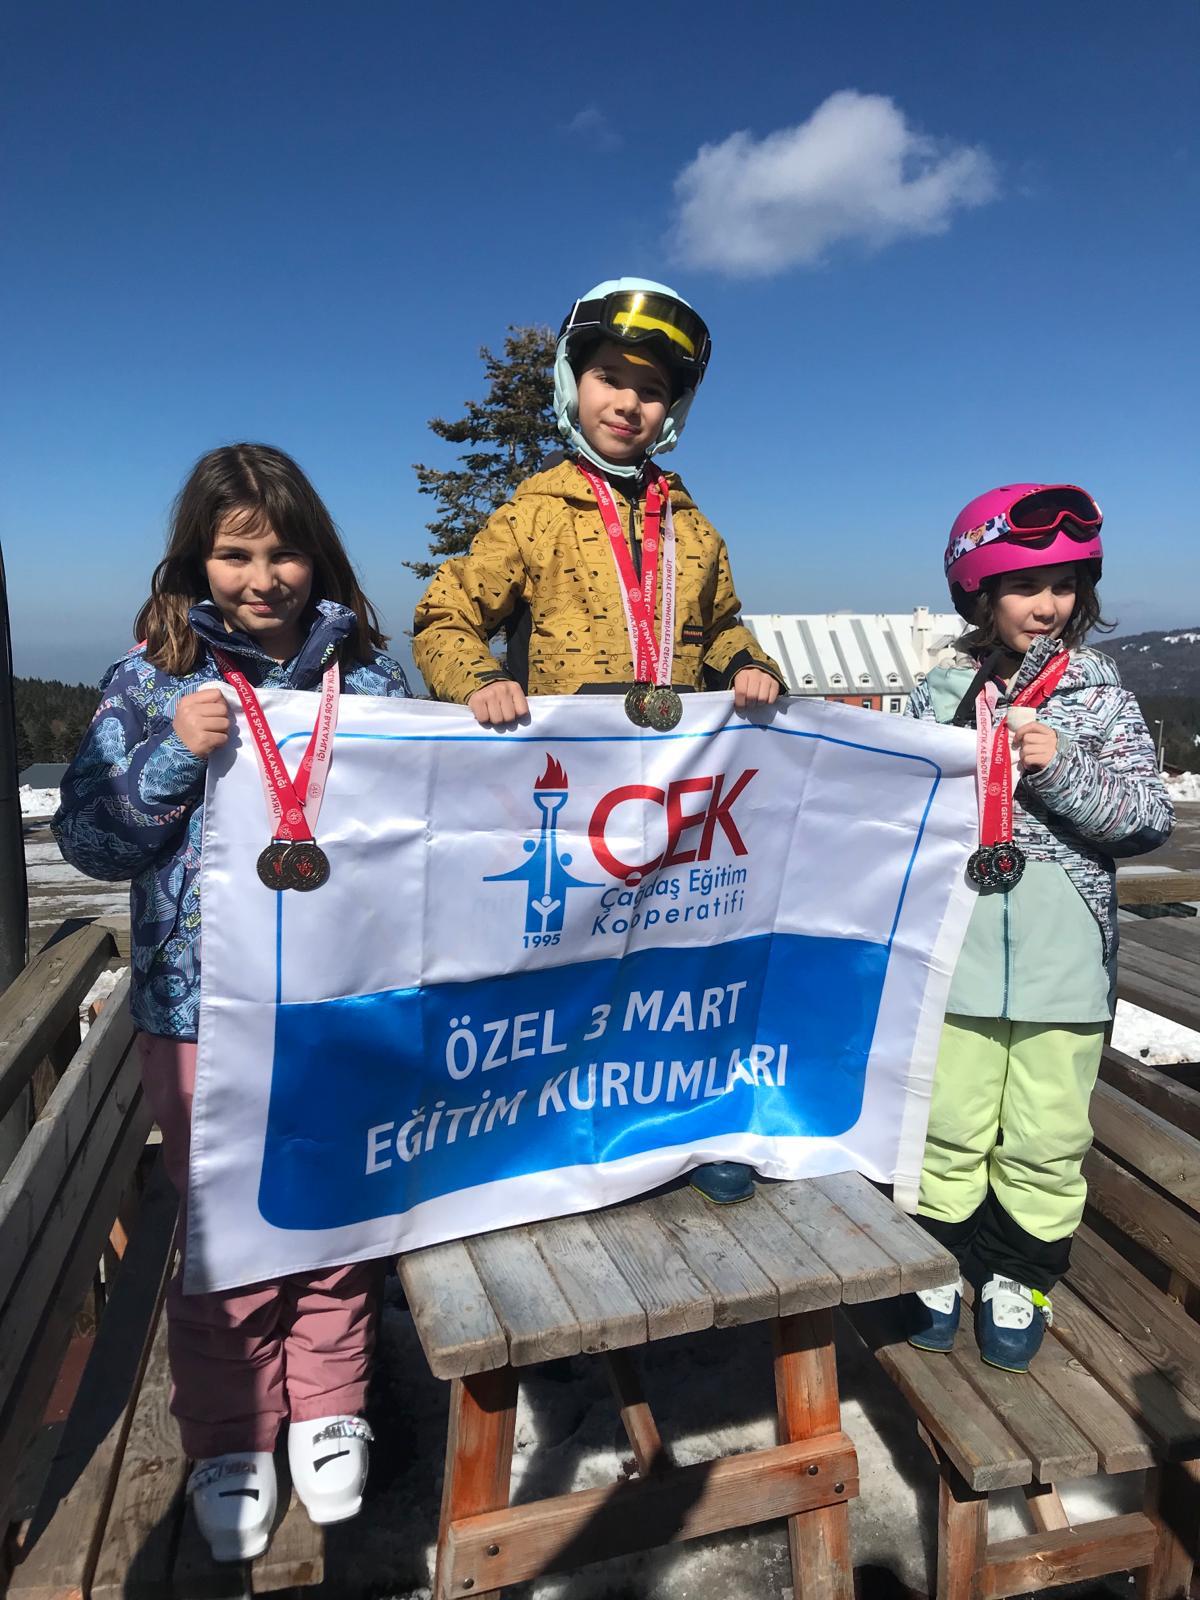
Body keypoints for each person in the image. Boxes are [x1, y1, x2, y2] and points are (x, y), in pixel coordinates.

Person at [54, 444, 412, 1560]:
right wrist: (173, 753)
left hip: (341, 995)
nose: (263, 578)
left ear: (319, 557)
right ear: (195, 560)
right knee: (221, 1219)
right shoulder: (150, 679)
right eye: (235, 553)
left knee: (338, 1197)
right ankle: (228, 1427)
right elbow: (89, 839)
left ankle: (331, 1394)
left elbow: (430, 825)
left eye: (285, 552)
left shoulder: (370, 680)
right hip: (199, 1007)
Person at [412, 276, 785, 1205]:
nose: (628, 402)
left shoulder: (694, 527)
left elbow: (723, 626)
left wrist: (748, 664)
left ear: (674, 409)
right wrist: (478, 679)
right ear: (570, 382)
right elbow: (444, 614)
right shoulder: (535, 512)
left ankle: (692, 1120)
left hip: (674, 793)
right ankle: (547, 1122)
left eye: (652, 389)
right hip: (573, 791)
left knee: (680, 957)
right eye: (609, 377)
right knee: (569, 958)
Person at [906, 483, 1172, 1371]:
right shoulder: (938, 695)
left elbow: (1145, 819)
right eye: (1025, 586)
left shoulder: (1101, 699)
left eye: (1064, 585)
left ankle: (1018, 1273)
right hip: (957, 954)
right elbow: (892, 812)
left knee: (1047, 1132)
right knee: (948, 1119)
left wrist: (1059, 767)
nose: (1048, 605)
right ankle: (936, 1259)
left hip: (1066, 962)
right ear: (980, 594)